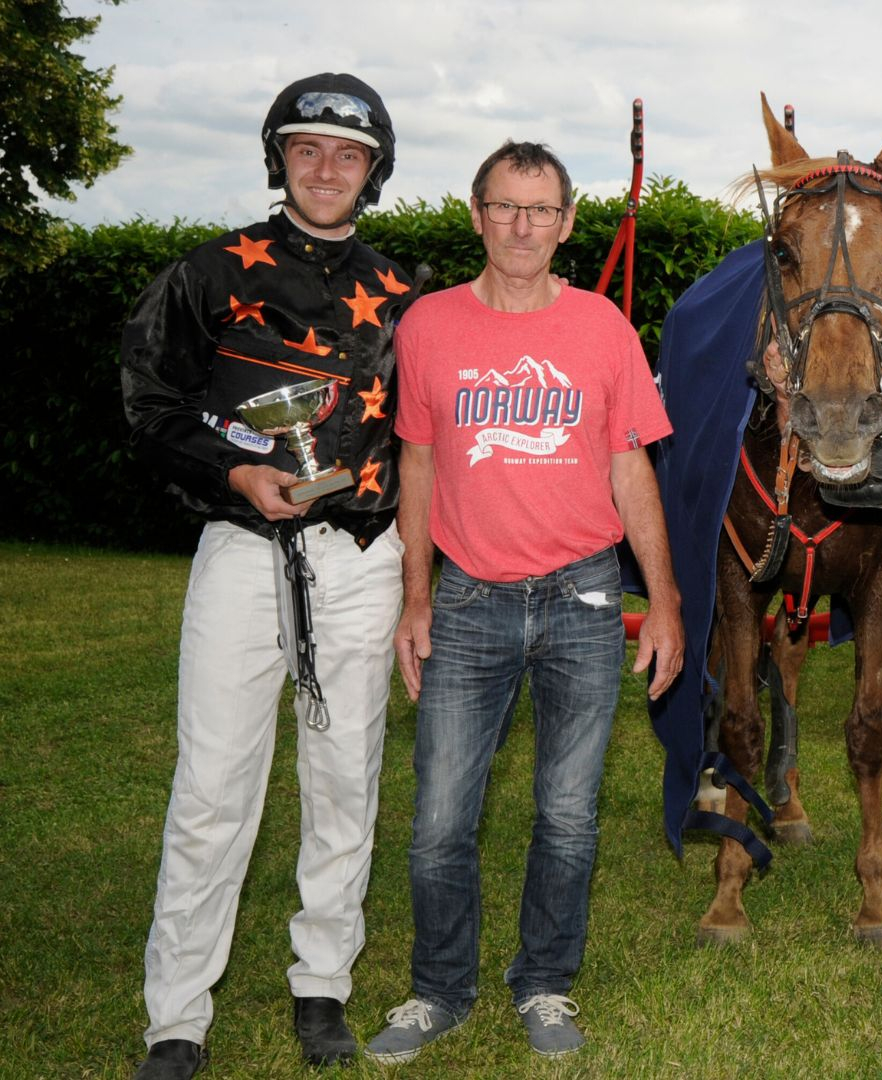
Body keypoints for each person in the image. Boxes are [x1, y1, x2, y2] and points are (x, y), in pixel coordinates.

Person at [364, 141, 684, 1064]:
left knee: (568, 814)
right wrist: (416, 595)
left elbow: (633, 469)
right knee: (439, 818)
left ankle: (545, 984)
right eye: (505, 207)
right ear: (475, 213)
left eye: (541, 210)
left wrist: (660, 602)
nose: (521, 226)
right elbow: (417, 464)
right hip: (466, 600)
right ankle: (438, 991)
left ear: (567, 224)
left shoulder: (603, 330)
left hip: (584, 597)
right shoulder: (427, 326)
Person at [121, 72, 411, 1079]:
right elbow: (150, 406)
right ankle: (176, 1018)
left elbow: (423, 445)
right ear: (277, 158)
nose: (326, 168)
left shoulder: (404, 298)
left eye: (348, 154)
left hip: (364, 559)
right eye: (306, 149)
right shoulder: (208, 274)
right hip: (242, 554)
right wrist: (237, 469)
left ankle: (322, 985)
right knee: (211, 785)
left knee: (344, 779)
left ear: (373, 170)